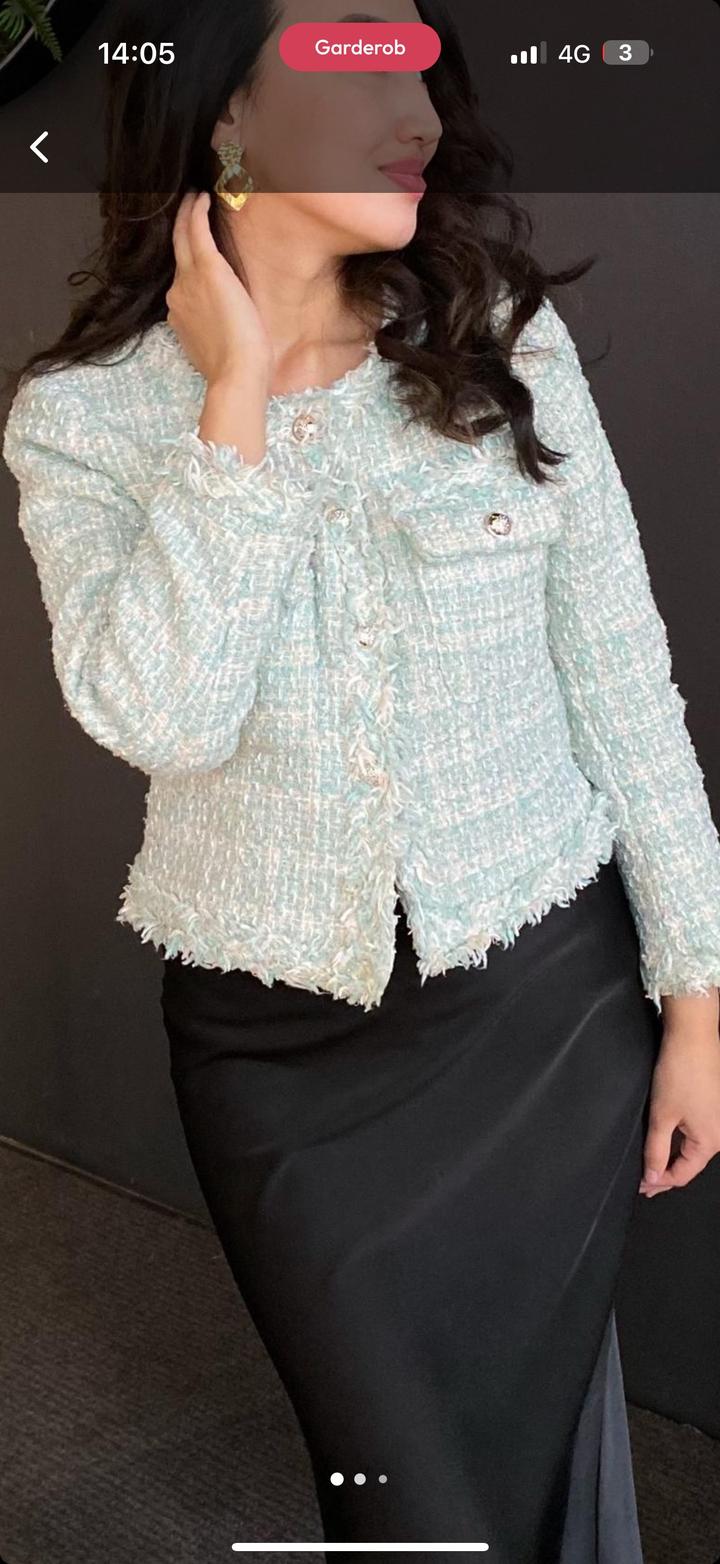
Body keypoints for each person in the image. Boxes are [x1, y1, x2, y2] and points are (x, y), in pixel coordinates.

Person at [3, 1, 720, 1559]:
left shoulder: (497, 336)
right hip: (283, 1060)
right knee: (402, 1499)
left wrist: (698, 1000)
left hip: (545, 1014)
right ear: (227, 116)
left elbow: (621, 679)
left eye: (418, 67)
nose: (417, 112)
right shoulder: (84, 419)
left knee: (530, 1464)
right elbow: (160, 718)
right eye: (355, 64)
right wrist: (235, 409)